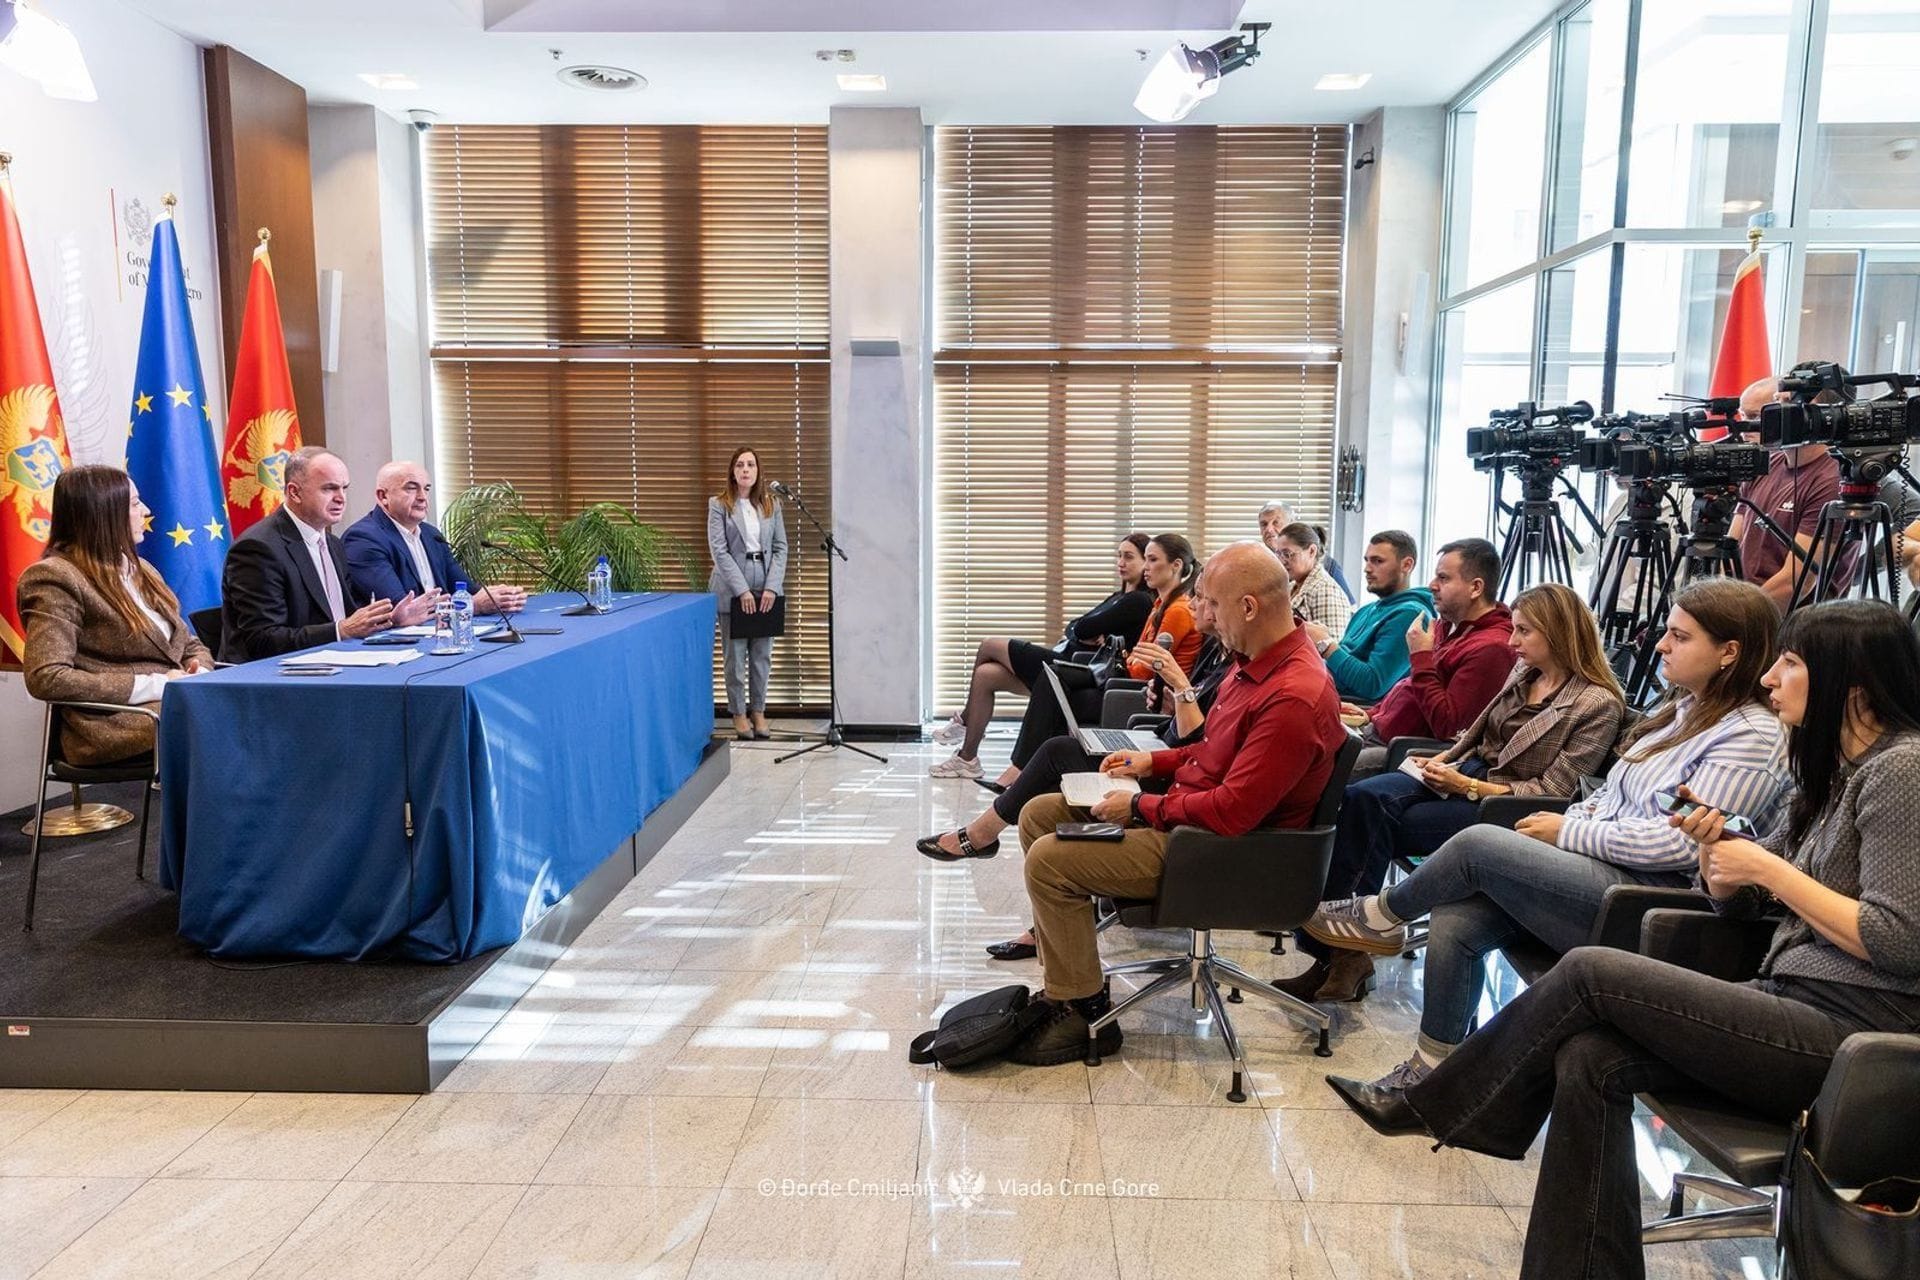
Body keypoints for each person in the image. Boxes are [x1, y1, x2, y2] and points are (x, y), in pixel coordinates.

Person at [1326, 597, 1920, 1280]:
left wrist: (1766, 869)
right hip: (1783, 996)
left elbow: (1898, 941)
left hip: (1852, 1037)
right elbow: (1738, 907)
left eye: (1790, 664)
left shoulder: (1901, 770)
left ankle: (1441, 1104)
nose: (1769, 679)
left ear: (1852, 683)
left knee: (1587, 973)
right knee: (1589, 1056)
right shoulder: (1829, 777)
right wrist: (1723, 861)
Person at [1305, 577, 1791, 1085]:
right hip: (1600, 865)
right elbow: (1604, 793)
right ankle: (1435, 1076)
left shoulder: (1750, 736)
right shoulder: (1679, 712)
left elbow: (1683, 845)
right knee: (1456, 917)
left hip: (1647, 897)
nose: (1662, 644)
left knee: (1475, 844)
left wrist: (1566, 831)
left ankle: (1381, 916)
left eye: (1680, 636)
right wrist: (1574, 820)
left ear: (1729, 652)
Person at [1000, 542, 1347, 1065]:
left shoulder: (1292, 693)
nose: (1203, 616)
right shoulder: (1250, 663)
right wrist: (1153, 766)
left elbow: (1233, 812)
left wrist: (1139, 809)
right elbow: (1213, 749)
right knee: (1040, 813)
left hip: (1230, 855)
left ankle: (1079, 1011)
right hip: (1196, 827)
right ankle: (1072, 983)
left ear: (1248, 607)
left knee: (1051, 861)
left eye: (1211, 603)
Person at [1292, 583, 1628, 1001]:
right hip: (1465, 771)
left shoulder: (1597, 704)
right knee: (1362, 799)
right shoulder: (1526, 673)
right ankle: (1343, 952)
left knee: (1378, 823)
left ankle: (1340, 953)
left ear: (1558, 632)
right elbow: (1476, 732)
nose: (1512, 641)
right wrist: (1444, 762)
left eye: (1524, 632)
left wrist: (1466, 785)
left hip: (1503, 804)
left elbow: (1552, 791)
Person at [916, 570, 1235, 961]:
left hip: (1180, 791)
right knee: (1039, 796)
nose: (1197, 605)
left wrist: (1179, 693)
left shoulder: (1218, 649)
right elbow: (1192, 737)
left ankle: (982, 836)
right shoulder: (1218, 654)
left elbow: (1203, 749)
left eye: (1207, 600)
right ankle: (1046, 919)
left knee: (1057, 753)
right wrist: (1168, 706)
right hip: (1165, 755)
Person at [961, 533, 1202, 788]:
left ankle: (1020, 772)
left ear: (1176, 566)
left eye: (1152, 560)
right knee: (1047, 680)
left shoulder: (1174, 609)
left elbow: (1142, 668)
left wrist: (1121, 655)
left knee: (1052, 680)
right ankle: (1024, 775)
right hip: (1122, 679)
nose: (1147, 568)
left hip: (1132, 691)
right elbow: (1086, 630)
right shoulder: (1159, 605)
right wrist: (1124, 656)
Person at [17, 466, 213, 765]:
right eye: (135, 504)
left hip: (178, 703)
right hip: (115, 723)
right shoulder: (55, 577)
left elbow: (188, 643)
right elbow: (47, 677)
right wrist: (159, 683)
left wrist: (199, 673)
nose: (145, 511)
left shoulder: (143, 570)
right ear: (103, 514)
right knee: (229, 721)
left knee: (246, 707)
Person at [929, 534, 1152, 778]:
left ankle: (964, 721)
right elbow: (1075, 626)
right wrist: (1082, 629)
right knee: (986, 675)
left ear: (1145, 563)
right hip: (1066, 656)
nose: (1121, 562)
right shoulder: (1118, 597)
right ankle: (967, 759)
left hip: (1072, 667)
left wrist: (1085, 630)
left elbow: (1084, 628)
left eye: (1129, 557)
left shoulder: (1138, 601)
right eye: (1119, 556)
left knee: (988, 646)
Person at [222, 447, 434, 664]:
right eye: (329, 489)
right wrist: (340, 630)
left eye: (344, 488)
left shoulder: (332, 544)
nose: (341, 498)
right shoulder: (258, 548)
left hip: (336, 662)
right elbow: (262, 640)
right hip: (274, 677)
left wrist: (391, 620)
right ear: (294, 492)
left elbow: (348, 615)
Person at [1339, 538, 1514, 776]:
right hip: (1377, 730)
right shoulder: (1448, 626)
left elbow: (1448, 726)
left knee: (1322, 771)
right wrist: (1370, 713)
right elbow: (1410, 690)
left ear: (1476, 588)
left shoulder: (1492, 648)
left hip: (1404, 750)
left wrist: (1421, 656)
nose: (1432, 585)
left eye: (1443, 578)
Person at [341, 461, 525, 616]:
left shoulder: (431, 535)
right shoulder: (363, 539)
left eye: (426, 489)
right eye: (411, 488)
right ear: (383, 496)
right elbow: (402, 609)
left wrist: (500, 596)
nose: (422, 497)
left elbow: (466, 590)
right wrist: (471, 606)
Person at [1732, 374, 1847, 609]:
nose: (1746, 427)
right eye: (1744, 416)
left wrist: (1739, 617)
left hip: (1795, 626)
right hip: (1745, 609)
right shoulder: (1764, 465)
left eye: (1756, 416)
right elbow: (1730, 546)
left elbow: (1797, 581)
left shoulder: (1831, 478)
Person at [707, 447, 789, 740]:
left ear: (758, 471)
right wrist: (742, 590)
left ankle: (758, 711)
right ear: (732, 471)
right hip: (732, 588)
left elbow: (780, 547)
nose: (745, 469)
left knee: (761, 656)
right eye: (740, 465)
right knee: (735, 656)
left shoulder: (771, 504)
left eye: (750, 465)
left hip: (765, 584)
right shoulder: (719, 504)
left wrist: (771, 587)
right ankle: (738, 714)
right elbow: (719, 550)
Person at [1305, 530, 1434, 706]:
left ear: (1407, 565)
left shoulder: (1409, 615)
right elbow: (1341, 666)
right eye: (1367, 560)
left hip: (1359, 714)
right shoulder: (1365, 611)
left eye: (1378, 561)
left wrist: (1325, 644)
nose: (1367, 569)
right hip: (1328, 695)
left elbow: (1372, 685)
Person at [1259, 498, 1352, 600]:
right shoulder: (1258, 566)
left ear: (1292, 524)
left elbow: (1350, 609)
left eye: (1276, 522)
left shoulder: (1326, 565)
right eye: (1264, 524)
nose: (1269, 529)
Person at [1274, 522, 1351, 640]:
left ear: (1311, 551)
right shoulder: (1291, 586)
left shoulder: (1325, 590)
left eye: (1287, 554)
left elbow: (1333, 648)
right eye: (1279, 554)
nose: (1282, 560)